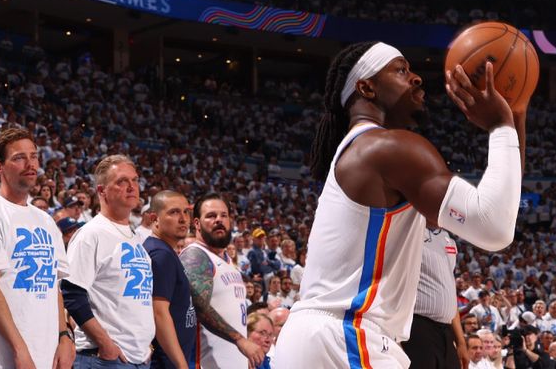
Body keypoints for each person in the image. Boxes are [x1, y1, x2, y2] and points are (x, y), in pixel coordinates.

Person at [274, 41, 526, 367]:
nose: (417, 78)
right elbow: (494, 227)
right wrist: (500, 127)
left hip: (326, 337)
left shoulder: (371, 153)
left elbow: (499, 206)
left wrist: (513, 121)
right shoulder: (388, 148)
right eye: (401, 70)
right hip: (347, 335)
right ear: (366, 87)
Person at [0, 127, 75, 368]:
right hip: (4, 357)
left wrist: (64, 336)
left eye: (33, 156)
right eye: (19, 157)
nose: (30, 164)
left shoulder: (47, 220)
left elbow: (53, 285)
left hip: (48, 354)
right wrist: (20, 349)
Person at [61, 154, 156, 367]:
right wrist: (105, 344)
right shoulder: (91, 234)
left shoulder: (133, 238)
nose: (132, 187)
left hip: (138, 359)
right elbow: (71, 293)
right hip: (104, 359)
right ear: (102, 191)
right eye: (122, 181)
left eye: (134, 180)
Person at [181, 193, 263, 369]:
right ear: (196, 223)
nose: (219, 220)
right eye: (211, 216)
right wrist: (240, 340)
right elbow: (198, 306)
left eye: (223, 215)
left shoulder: (227, 260)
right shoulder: (196, 256)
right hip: (206, 362)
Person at [403, 225, 468, 369]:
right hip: (418, 327)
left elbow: (449, 295)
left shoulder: (449, 240)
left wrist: (461, 342)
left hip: (446, 331)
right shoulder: (409, 229)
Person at [144, 190, 195, 369]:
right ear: (154, 218)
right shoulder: (161, 255)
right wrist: (181, 365)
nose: (183, 219)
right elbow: (159, 314)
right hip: (165, 362)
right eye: (174, 212)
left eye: (186, 212)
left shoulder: (161, 250)